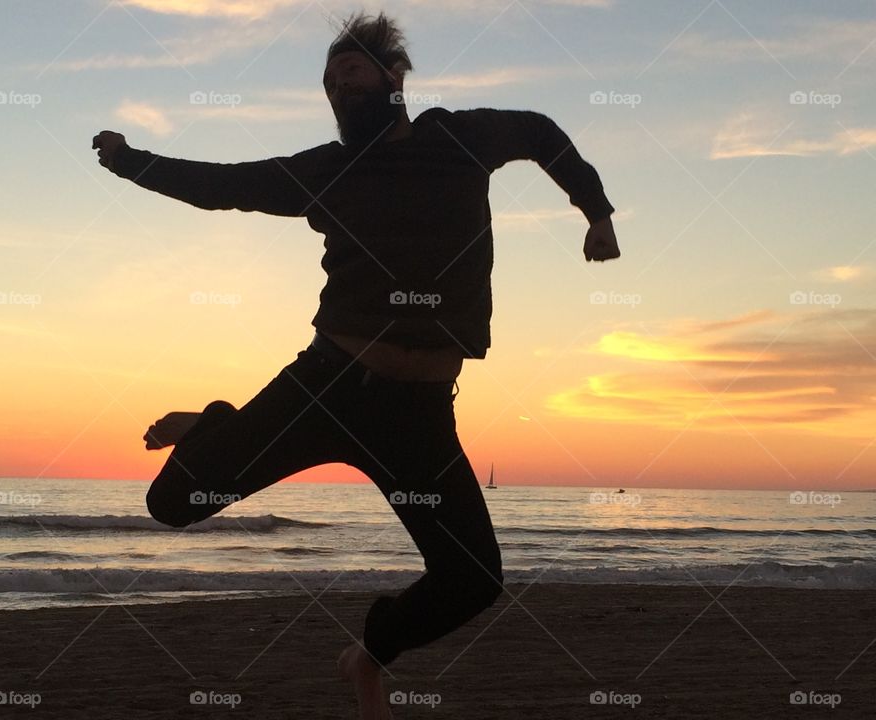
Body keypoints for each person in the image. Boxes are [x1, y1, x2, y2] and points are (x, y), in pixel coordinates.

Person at [93, 10, 619, 719]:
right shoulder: (329, 170)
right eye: (330, 83)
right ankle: (221, 422)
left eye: (352, 72)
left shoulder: (458, 138)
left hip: (419, 418)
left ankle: (368, 654)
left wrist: (594, 209)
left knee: (473, 579)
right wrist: (131, 161)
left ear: (394, 78)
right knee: (172, 505)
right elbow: (223, 184)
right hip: (328, 387)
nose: (340, 89)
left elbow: (539, 131)